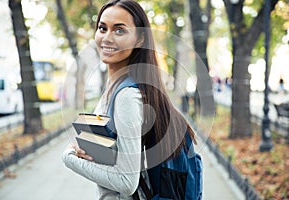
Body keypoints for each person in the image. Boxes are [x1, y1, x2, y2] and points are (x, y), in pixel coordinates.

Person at [62, 0, 197, 199]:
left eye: (119, 31)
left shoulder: (127, 96)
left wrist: (70, 158)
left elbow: (127, 182)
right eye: (102, 28)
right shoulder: (116, 87)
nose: (107, 38)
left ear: (140, 39)